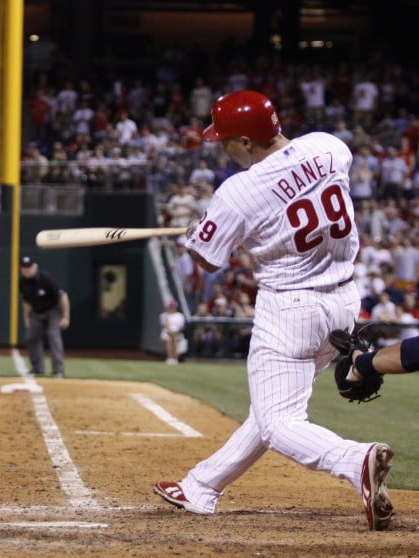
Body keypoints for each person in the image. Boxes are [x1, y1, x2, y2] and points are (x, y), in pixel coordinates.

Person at [153, 90, 394, 531]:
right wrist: (216, 225)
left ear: (246, 140)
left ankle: (355, 460)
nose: (222, 146)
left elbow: (208, 259)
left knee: (279, 421)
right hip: (343, 301)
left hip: (291, 309)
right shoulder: (328, 145)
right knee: (270, 410)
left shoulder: (238, 191)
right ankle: (200, 486)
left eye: (226, 139)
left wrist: (200, 233)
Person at [19, 256, 70, 377]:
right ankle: (37, 369)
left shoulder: (45, 278)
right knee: (31, 337)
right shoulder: (22, 282)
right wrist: (26, 318)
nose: (27, 270)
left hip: (53, 310)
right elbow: (26, 301)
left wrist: (65, 317)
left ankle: (58, 370)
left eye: (29, 267)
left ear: (34, 267)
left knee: (53, 335)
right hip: (36, 312)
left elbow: (63, 296)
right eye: (24, 268)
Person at [159, 299, 186, 365]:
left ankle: (175, 359)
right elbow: (165, 325)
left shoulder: (180, 315)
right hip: (166, 333)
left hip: (177, 333)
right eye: (170, 306)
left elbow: (181, 327)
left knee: (175, 338)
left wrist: (174, 333)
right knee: (169, 339)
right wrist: (171, 332)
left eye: (173, 306)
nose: (172, 308)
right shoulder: (163, 315)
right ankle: (170, 358)